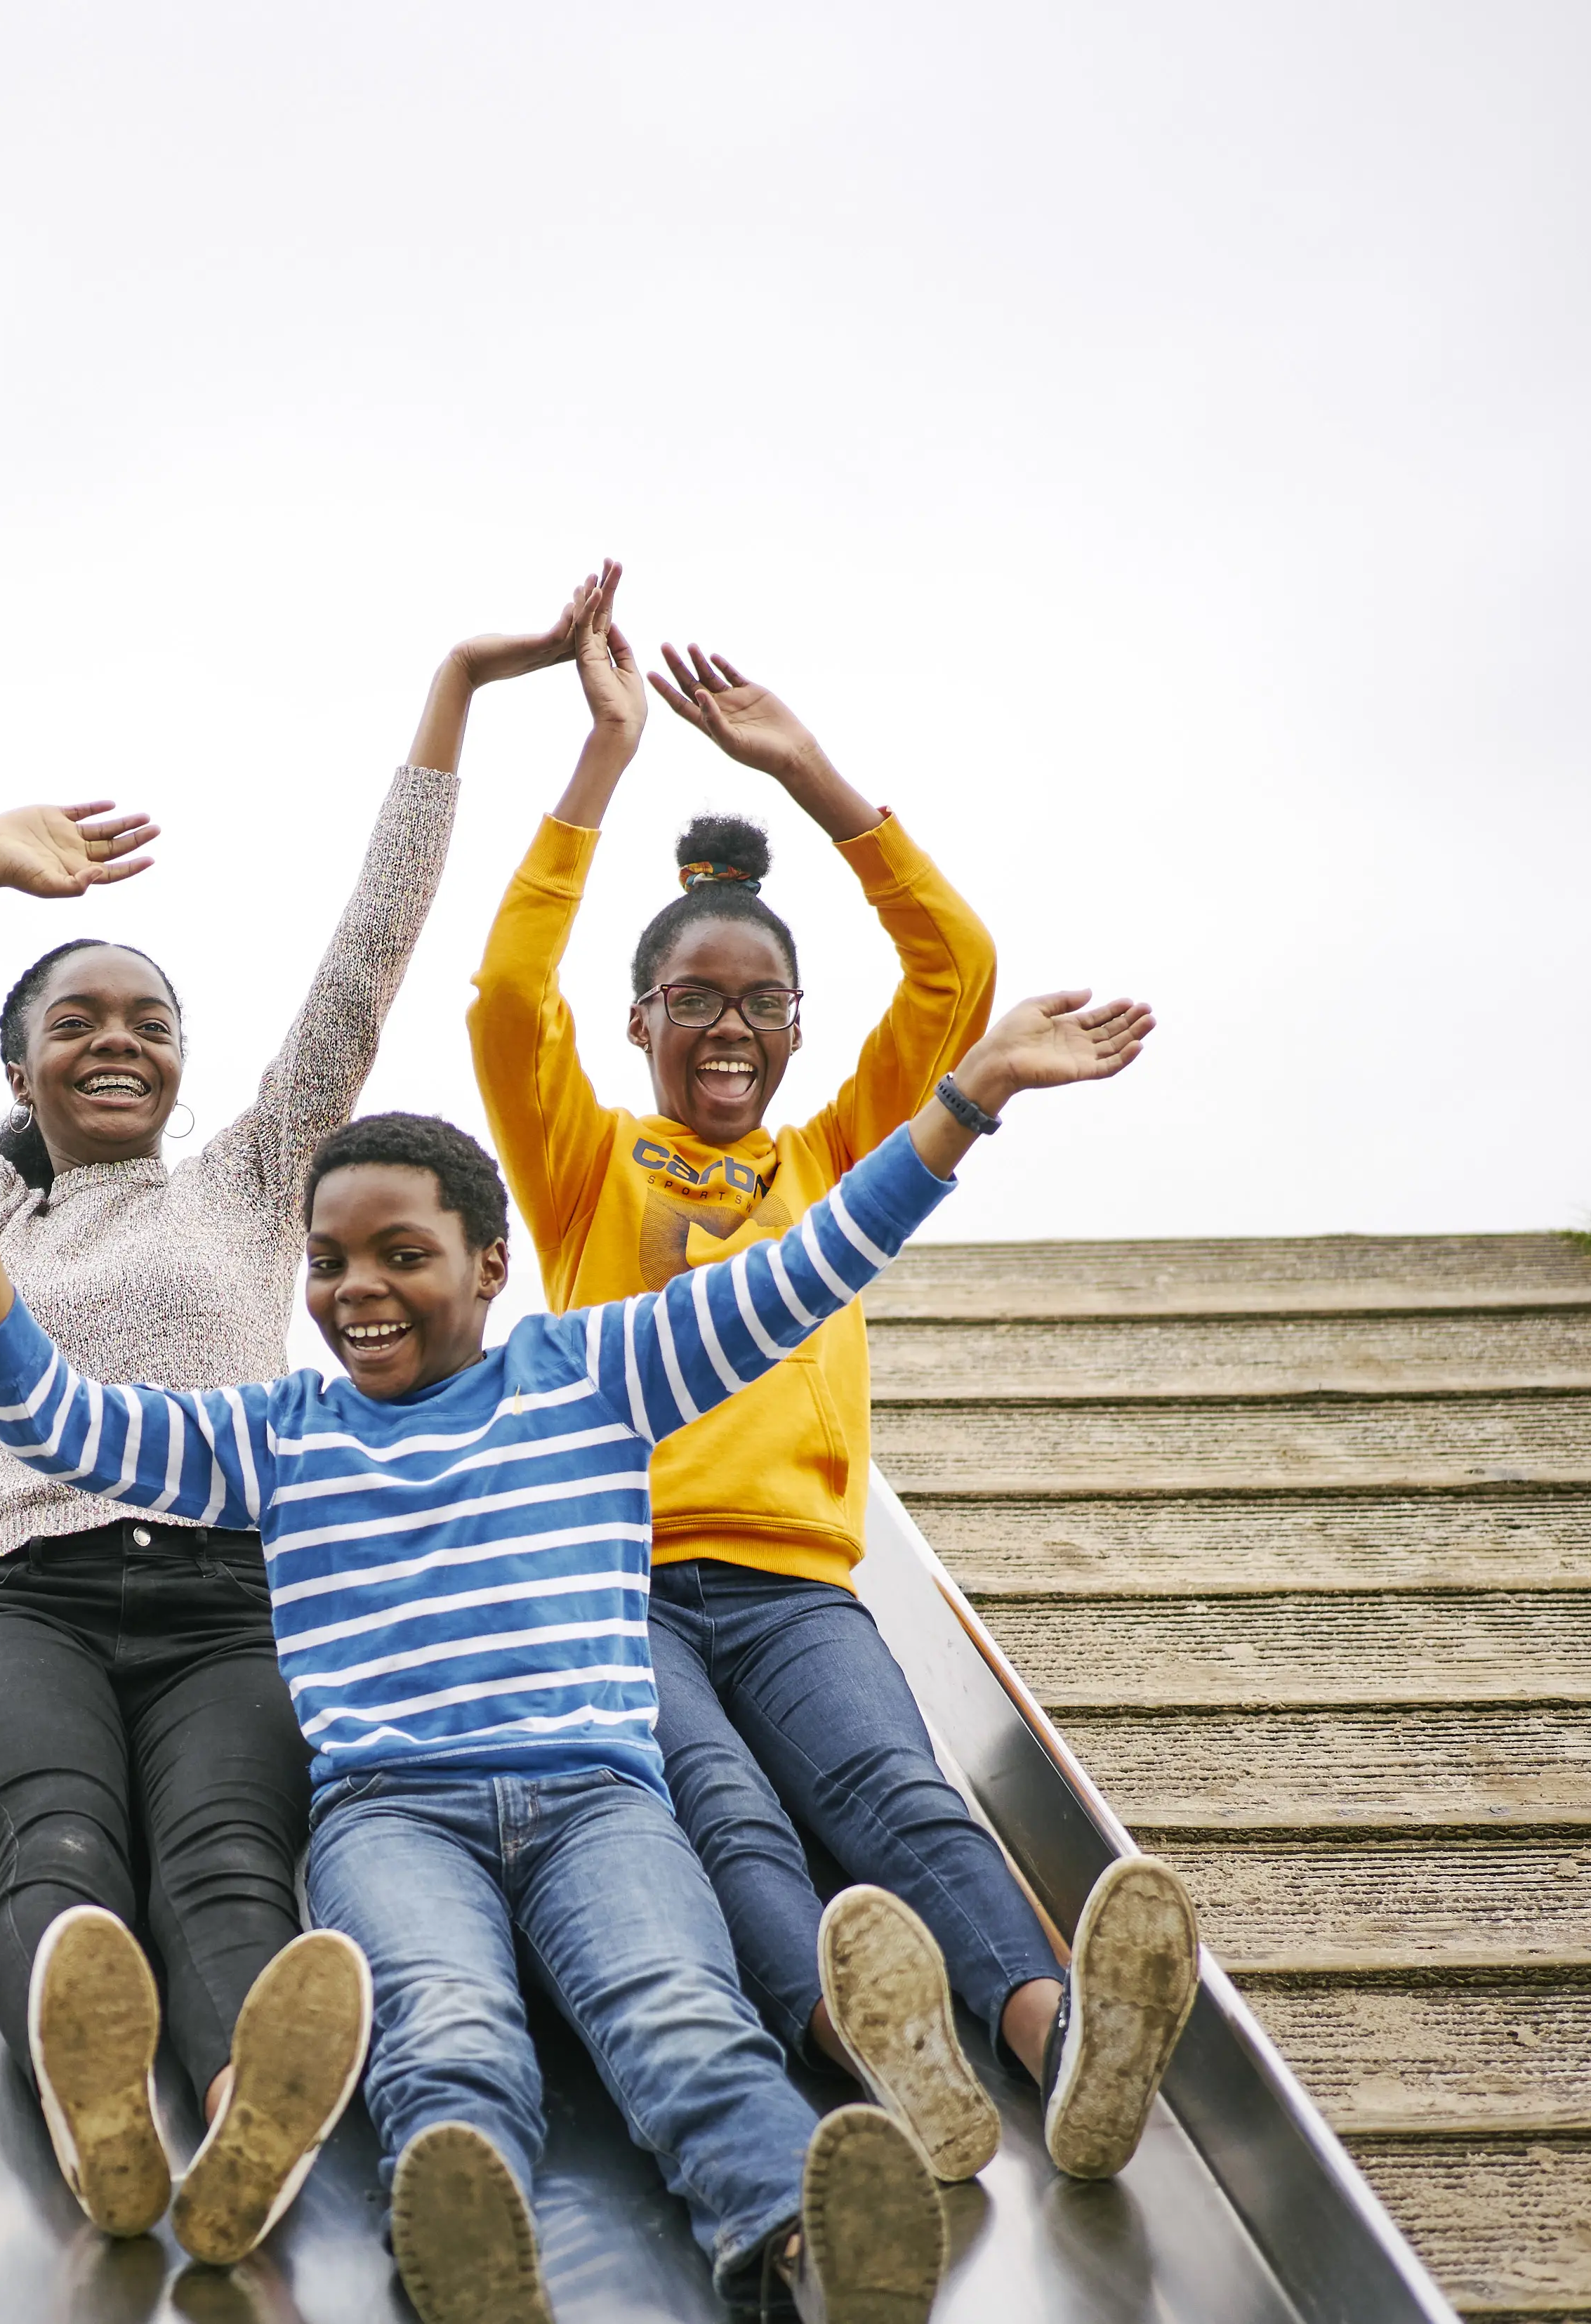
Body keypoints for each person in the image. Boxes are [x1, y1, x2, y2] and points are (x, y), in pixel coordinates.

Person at [0, 967, 1152, 2324]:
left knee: (680, 2021)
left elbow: (806, 1270)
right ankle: (471, 2259)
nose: (357, 1292)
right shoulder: (282, 1435)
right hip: (391, 1821)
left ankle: (807, 2245)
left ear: (488, 1265)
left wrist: (970, 1094)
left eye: (404, 1254)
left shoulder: (590, 1374)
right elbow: (62, 1424)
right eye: (328, 1263)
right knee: (445, 2046)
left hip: (598, 1805)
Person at [0, 574, 613, 2263]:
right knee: (67, 1844)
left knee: (229, 1864)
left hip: (240, 1594)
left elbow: (372, 947)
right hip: (28, 1599)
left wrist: (455, 685)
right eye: (72, 1022)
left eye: (147, 1023)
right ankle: (104, 2123)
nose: (114, 1041)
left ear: (182, 1064)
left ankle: (245, 2112)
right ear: (16, 1073)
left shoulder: (256, 1178)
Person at [466, 572, 1201, 2186]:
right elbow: (506, 996)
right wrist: (599, 762)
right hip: (619, 1581)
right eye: (695, 1001)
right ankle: (870, 2054)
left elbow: (954, 974)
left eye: (760, 1004)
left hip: (798, 1581)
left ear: (797, 1030)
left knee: (897, 1795)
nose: (727, 1027)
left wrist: (813, 775)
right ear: (641, 1016)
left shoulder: (829, 1158)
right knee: (722, 1814)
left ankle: (1052, 2042)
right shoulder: (586, 1163)